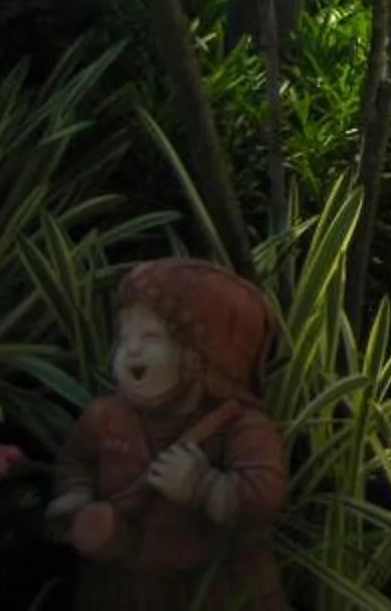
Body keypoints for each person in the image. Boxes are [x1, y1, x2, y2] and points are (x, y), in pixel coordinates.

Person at [47, 259, 287, 611]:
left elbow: (265, 495)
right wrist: (75, 495)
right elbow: (77, 461)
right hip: (122, 587)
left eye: (151, 337)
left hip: (215, 587)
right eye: (124, 337)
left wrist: (204, 486)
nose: (131, 349)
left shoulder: (240, 426)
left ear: (200, 357)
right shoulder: (105, 416)